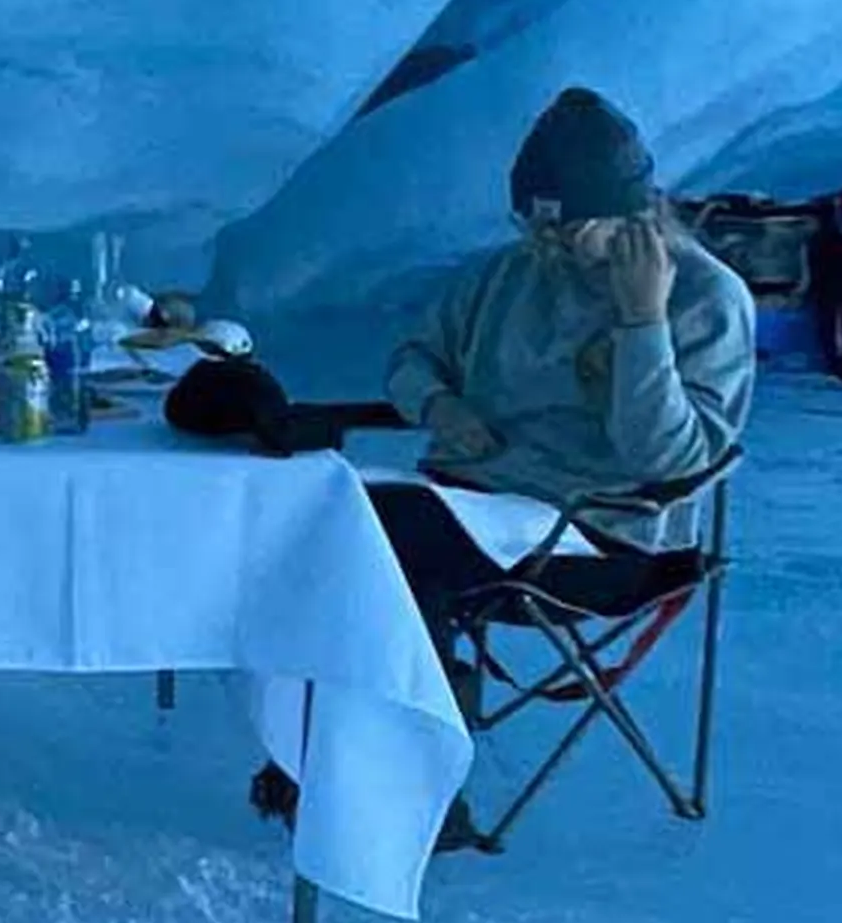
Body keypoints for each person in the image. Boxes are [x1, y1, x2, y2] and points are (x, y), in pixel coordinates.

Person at [255, 87, 753, 837]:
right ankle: (326, 755)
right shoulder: (505, 277)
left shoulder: (705, 298)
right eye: (535, 226)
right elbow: (414, 358)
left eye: (571, 230)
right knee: (325, 520)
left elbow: (663, 456)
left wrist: (641, 321)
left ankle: (406, 792)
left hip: (606, 536)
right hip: (474, 503)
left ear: (632, 216)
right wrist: (440, 406)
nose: (549, 247)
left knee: (389, 543)